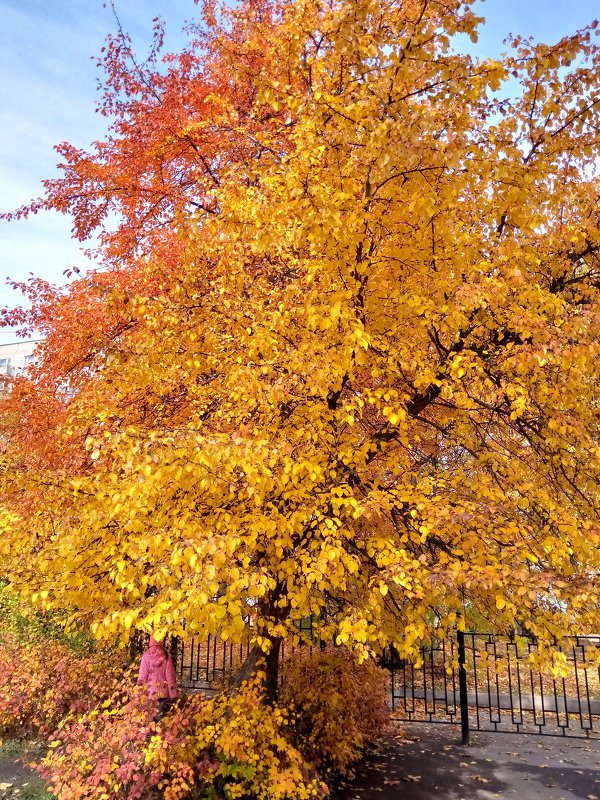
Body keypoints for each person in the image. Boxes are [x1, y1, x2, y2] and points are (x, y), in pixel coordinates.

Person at [137, 634, 179, 721]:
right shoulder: (166, 657)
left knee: (149, 721)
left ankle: (150, 734)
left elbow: (142, 677)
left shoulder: (146, 656)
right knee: (161, 722)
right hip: (163, 695)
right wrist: (173, 695)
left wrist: (138, 695)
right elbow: (170, 678)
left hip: (149, 694)